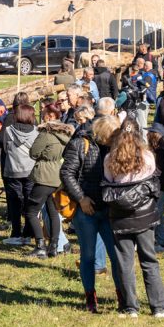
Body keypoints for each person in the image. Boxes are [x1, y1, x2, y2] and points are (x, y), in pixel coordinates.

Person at [61, 111, 125, 313]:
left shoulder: (114, 147)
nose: (114, 140)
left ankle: (122, 295)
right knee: (88, 256)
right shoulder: (80, 144)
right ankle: (90, 296)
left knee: (116, 255)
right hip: (86, 209)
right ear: (104, 133)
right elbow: (67, 173)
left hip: (108, 209)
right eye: (112, 136)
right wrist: (81, 198)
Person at [102, 120, 164, 318]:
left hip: (120, 215)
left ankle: (131, 307)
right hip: (144, 214)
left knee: (125, 262)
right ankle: (159, 307)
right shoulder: (147, 156)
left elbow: (109, 182)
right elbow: (152, 180)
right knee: (149, 259)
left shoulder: (110, 158)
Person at [24, 104, 74, 258]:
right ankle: (54, 246)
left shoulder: (46, 133)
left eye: (43, 114)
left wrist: (43, 155)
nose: (41, 116)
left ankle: (40, 245)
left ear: (50, 116)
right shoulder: (66, 135)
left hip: (44, 175)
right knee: (53, 212)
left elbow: (33, 152)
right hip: (57, 175)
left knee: (31, 211)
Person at [0, 102, 38, 244]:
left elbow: (5, 147)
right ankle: (28, 234)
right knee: (29, 202)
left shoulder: (8, 130)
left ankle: (16, 233)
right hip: (31, 171)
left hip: (13, 170)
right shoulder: (36, 131)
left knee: (15, 203)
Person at [147, 124, 164, 252]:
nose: (147, 135)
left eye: (149, 133)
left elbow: (159, 170)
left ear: (154, 135)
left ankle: (162, 241)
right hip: (159, 185)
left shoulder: (161, 151)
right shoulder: (158, 149)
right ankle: (158, 239)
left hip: (161, 186)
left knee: (158, 212)